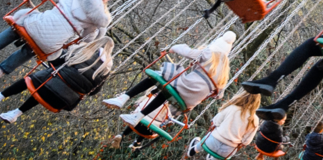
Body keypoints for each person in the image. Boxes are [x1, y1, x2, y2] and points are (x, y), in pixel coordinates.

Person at [102, 31, 235, 127]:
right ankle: (137, 116)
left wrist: (172, 48)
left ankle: (123, 98)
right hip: (189, 102)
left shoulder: (208, 54)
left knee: (160, 76)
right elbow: (219, 96)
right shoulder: (224, 74)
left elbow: (186, 51)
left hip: (184, 88)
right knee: (167, 90)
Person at [0, 36, 113, 123]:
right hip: (62, 101)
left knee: (43, 80)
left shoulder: (82, 51)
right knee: (51, 86)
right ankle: (15, 113)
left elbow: (55, 60)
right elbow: (93, 92)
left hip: (46, 85)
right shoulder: (105, 70)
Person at [185, 90, 261, 159]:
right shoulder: (254, 120)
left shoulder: (232, 107)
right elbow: (246, 142)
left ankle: (195, 149)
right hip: (227, 152)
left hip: (211, 143)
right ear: (257, 103)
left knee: (208, 136)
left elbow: (215, 122)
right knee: (221, 155)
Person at [106, 93, 174, 151]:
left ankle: (122, 134)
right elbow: (169, 122)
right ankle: (137, 142)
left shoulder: (148, 97)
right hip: (148, 132)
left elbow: (136, 105)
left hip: (136, 123)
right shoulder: (167, 108)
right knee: (149, 125)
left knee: (137, 119)